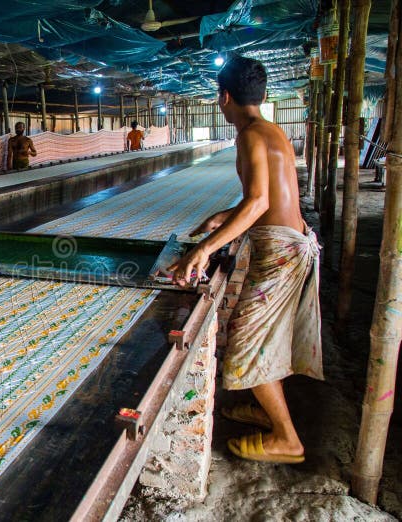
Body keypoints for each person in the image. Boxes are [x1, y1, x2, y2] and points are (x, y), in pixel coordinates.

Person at [169, 55, 323, 464]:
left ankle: (287, 438)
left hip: (280, 252)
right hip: (289, 241)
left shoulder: (251, 136)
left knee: (246, 337)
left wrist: (204, 248)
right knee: (263, 333)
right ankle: (264, 407)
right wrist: (224, 216)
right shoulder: (271, 130)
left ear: (224, 97)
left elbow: (259, 202)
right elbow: (261, 196)